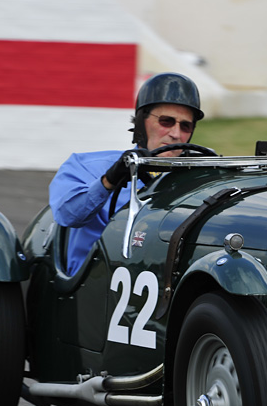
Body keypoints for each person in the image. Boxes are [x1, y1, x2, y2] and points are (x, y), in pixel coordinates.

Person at [49, 72, 204, 274]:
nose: (175, 134)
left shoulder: (197, 177)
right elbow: (68, 216)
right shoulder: (85, 165)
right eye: (166, 121)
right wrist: (109, 180)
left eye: (185, 125)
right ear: (141, 121)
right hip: (92, 281)